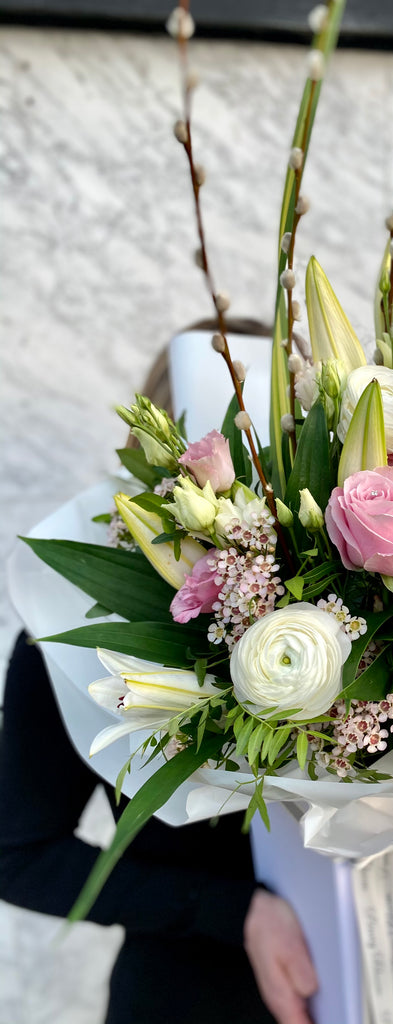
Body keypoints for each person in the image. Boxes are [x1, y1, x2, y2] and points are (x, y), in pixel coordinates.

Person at [0, 325, 318, 1024]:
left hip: (370, 982)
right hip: (189, 998)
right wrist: (232, 913)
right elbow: (18, 857)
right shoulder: (72, 633)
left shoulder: (359, 606)